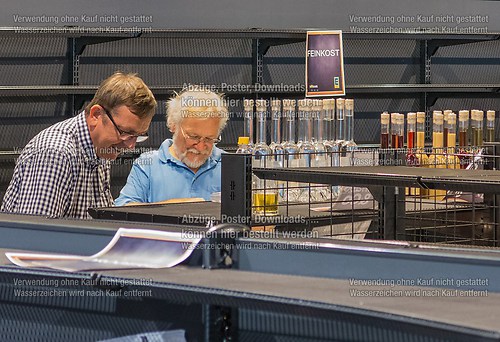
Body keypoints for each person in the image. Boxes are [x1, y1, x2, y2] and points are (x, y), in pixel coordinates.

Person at [1, 72, 157, 219]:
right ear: (96, 115)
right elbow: (35, 237)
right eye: (124, 132)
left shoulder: (101, 149)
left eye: (138, 136)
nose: (130, 146)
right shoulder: (56, 154)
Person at [115, 89, 229, 205]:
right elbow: (123, 208)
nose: (200, 147)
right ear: (173, 125)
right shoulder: (147, 165)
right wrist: (175, 208)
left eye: (209, 139)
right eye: (193, 137)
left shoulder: (230, 165)